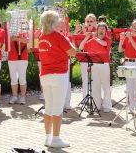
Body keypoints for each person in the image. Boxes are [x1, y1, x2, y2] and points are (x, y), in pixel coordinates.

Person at [38, 10, 76, 148]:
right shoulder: (58, 36)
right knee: (57, 108)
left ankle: (48, 138)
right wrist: (70, 41)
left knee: (48, 107)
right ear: (54, 22)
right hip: (58, 75)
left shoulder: (41, 36)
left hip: (45, 75)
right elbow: (73, 52)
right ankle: (56, 138)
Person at [79, 22, 112, 112]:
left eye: (103, 29)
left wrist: (95, 38)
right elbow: (81, 47)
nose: (101, 30)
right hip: (94, 65)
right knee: (95, 86)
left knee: (106, 86)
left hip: (104, 65)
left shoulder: (107, 39)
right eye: (100, 29)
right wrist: (86, 37)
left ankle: (107, 106)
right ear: (97, 30)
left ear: (105, 31)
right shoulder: (92, 41)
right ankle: (97, 104)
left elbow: (104, 44)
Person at [118, 20, 136, 113]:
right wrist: (121, 39)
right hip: (128, 62)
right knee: (129, 86)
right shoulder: (127, 38)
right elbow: (120, 50)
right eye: (134, 27)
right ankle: (131, 107)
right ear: (131, 27)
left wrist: (130, 37)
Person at [74, 13, 97, 98]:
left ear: (95, 22)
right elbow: (76, 44)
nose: (89, 22)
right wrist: (77, 31)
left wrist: (85, 33)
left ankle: (95, 98)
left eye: (91, 21)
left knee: (94, 79)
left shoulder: (97, 31)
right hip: (84, 57)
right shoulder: (82, 31)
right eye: (87, 21)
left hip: (94, 57)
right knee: (85, 79)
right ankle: (85, 97)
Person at [7, 32, 29, 105]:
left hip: (22, 58)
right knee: (13, 79)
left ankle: (23, 97)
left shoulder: (24, 28)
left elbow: (27, 40)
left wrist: (16, 38)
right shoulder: (10, 30)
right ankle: (14, 96)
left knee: (22, 78)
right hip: (11, 57)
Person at [56, 19, 72, 110]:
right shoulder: (53, 37)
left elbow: (70, 51)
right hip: (56, 63)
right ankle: (59, 104)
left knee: (67, 82)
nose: (61, 28)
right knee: (58, 83)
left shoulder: (66, 38)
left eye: (63, 26)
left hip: (65, 62)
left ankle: (67, 102)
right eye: (59, 26)